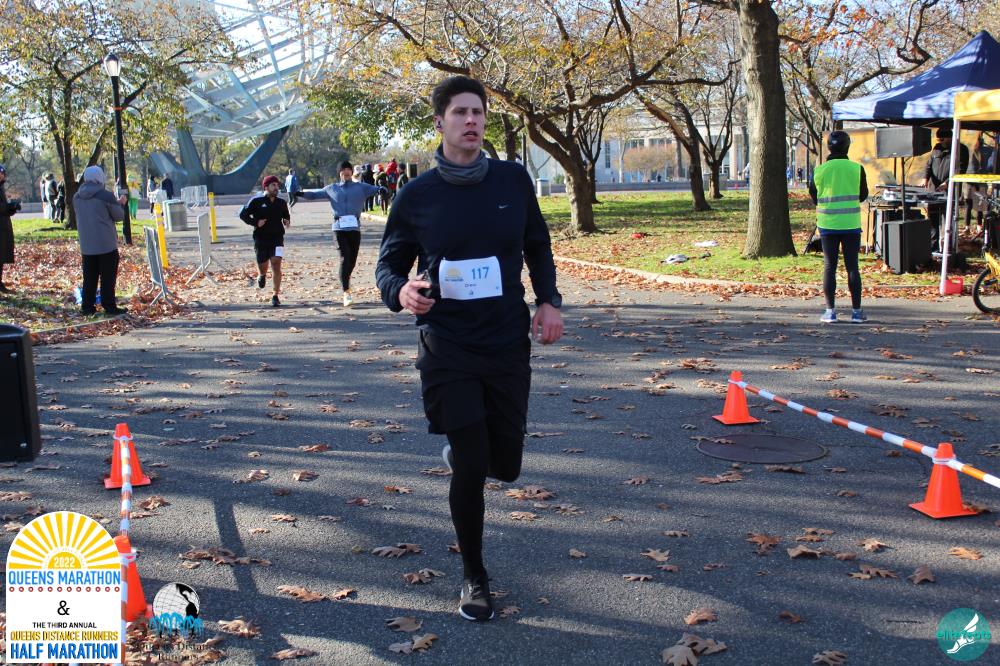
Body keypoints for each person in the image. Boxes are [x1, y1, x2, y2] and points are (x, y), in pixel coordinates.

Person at [375, 75, 563, 623]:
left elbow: (537, 245)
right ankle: (474, 576)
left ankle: (467, 456)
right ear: (440, 122)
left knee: (506, 465)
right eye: (460, 112)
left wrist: (548, 301)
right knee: (474, 463)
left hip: (505, 339)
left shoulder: (512, 181)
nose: (471, 120)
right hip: (447, 344)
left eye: (477, 111)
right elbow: (389, 265)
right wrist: (401, 291)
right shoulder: (417, 195)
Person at [294, 159, 385, 307]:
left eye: (348, 169)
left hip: (354, 228)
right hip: (339, 228)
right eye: (343, 170)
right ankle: (346, 292)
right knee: (345, 257)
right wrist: (299, 193)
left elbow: (376, 189)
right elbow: (315, 195)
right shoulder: (332, 188)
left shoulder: (361, 187)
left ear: (351, 172)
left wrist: (382, 189)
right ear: (339, 173)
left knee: (352, 261)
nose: (346, 172)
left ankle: (345, 280)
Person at [809, 130, 868, 324]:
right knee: (852, 267)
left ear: (829, 147)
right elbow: (863, 195)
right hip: (851, 224)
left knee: (829, 267)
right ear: (847, 146)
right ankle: (857, 312)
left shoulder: (820, 170)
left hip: (827, 224)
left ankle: (830, 311)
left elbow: (814, 195)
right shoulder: (856, 169)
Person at [72, 166, 129, 316]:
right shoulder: (106, 195)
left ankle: (87, 306)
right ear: (100, 178)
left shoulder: (77, 197)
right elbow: (118, 216)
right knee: (107, 277)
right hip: (106, 243)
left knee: (89, 277)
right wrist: (121, 203)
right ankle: (109, 306)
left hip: (86, 243)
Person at [239, 175, 291, 307]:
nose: (276, 188)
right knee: (263, 264)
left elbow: (286, 215)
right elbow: (243, 215)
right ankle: (261, 275)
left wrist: (286, 221)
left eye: (277, 185)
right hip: (261, 238)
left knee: (276, 262)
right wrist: (255, 222)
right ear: (266, 187)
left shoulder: (281, 202)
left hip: (277, 238)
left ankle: (275, 295)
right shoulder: (256, 201)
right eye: (273, 185)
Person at [922, 128, 969, 250]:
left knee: (948, 219)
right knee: (933, 219)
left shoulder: (961, 149)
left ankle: (949, 247)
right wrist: (925, 178)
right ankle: (933, 247)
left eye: (942, 139)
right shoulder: (937, 148)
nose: (940, 142)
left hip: (950, 190)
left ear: (950, 138)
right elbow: (929, 165)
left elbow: (961, 170)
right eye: (938, 140)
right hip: (934, 190)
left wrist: (948, 183)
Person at [0, 165, 22, 293]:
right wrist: (9, 207)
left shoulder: (1, 187)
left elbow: (4, 208)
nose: (1, 175)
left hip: (3, 225)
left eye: (2, 173)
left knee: (1, 256)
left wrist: (12, 208)